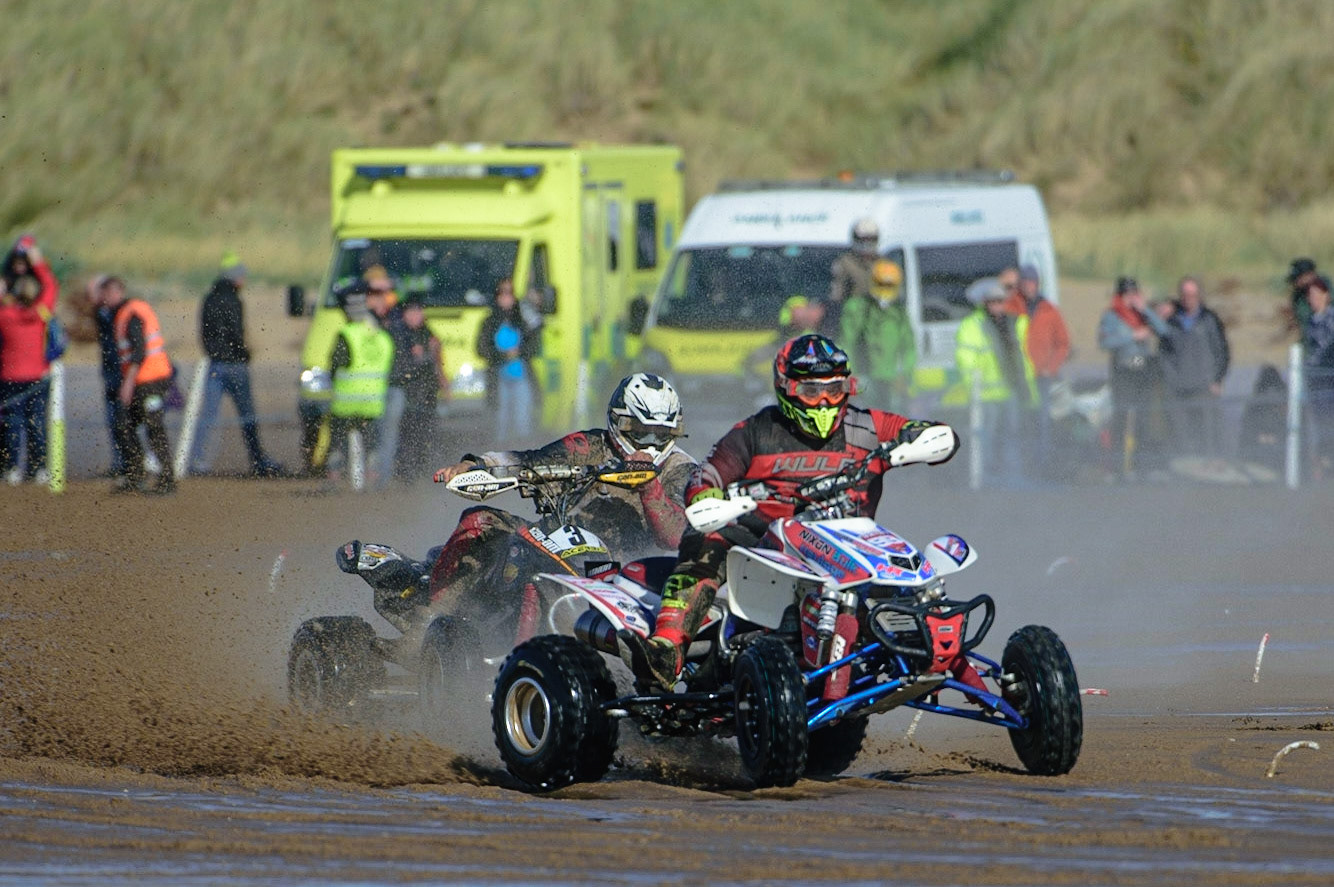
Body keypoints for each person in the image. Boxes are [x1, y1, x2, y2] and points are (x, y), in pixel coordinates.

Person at [621, 335, 958, 690]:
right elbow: (708, 474)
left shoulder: (868, 426)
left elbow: (934, 435)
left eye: (835, 389)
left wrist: (908, 448)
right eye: (812, 392)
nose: (825, 402)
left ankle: (943, 650)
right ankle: (666, 649)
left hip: (848, 547)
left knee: (916, 574)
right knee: (706, 540)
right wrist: (712, 498)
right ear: (786, 387)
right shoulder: (755, 433)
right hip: (766, 546)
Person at [422, 373, 693, 642]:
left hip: (628, 575)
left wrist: (649, 485)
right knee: (478, 520)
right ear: (619, 422)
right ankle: (428, 622)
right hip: (557, 544)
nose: (650, 445)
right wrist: (477, 464)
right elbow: (530, 460)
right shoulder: (590, 446)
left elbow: (674, 536)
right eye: (642, 433)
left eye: (660, 435)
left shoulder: (681, 470)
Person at [189, 253, 283, 477]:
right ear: (236, 279)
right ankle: (258, 459)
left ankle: (198, 461)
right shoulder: (234, 300)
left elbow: (205, 332)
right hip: (235, 365)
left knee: (208, 416)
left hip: (214, 364)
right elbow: (235, 332)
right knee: (247, 415)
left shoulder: (209, 298)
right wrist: (244, 353)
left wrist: (213, 352)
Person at [950, 277, 1036, 484]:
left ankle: (1011, 475)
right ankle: (983, 476)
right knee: (984, 437)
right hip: (985, 394)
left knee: (1011, 435)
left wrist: (1027, 387)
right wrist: (974, 387)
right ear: (985, 303)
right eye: (993, 301)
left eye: (1000, 301)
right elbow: (966, 359)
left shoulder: (1013, 323)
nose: (997, 306)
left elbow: (1024, 357)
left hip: (1009, 391)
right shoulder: (973, 326)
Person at [102, 276, 176, 495]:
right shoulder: (121, 315)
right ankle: (135, 475)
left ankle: (167, 479)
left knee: (154, 428)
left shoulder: (132, 314)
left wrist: (127, 384)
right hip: (142, 381)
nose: (104, 299)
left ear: (117, 292)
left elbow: (139, 351)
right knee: (124, 424)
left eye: (106, 294)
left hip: (150, 380)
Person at [1098, 276, 1170, 478]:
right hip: (1123, 370)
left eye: (1134, 294)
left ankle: (1141, 466)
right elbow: (1104, 343)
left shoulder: (1143, 314)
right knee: (1121, 418)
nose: (1131, 299)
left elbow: (1163, 330)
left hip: (1143, 370)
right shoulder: (1111, 316)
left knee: (1143, 420)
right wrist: (1132, 336)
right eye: (1127, 295)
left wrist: (1145, 309)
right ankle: (1119, 467)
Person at [1157, 276, 1231, 458]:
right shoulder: (1171, 319)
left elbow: (1222, 351)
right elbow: (1162, 353)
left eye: (1192, 294)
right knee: (1179, 434)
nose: (1189, 298)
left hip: (1204, 386)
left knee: (1208, 433)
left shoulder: (1209, 320)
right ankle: (1183, 473)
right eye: (1185, 294)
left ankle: (1211, 468)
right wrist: (1168, 379)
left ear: (1199, 296)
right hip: (1177, 387)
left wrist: (1217, 379)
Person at [1006, 264, 1071, 471]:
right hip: (1018, 377)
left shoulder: (1049, 310)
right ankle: (1018, 466)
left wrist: (1051, 368)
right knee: (1018, 423)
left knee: (1042, 423)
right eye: (1025, 282)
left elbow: (1063, 343)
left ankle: (1042, 465)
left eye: (1032, 282)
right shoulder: (1010, 307)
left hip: (1041, 377)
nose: (1029, 286)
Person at [327, 289, 393, 485]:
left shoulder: (346, 334)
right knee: (372, 442)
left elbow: (335, 365)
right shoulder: (382, 337)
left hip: (345, 402)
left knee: (337, 442)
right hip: (373, 403)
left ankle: (335, 478)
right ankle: (372, 478)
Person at [0, 274, 56, 484]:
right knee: (37, 422)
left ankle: (12, 467)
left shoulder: (5, 315)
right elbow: (51, 287)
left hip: (10, 377)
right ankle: (39, 467)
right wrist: (38, 261)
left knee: (12, 424)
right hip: (37, 377)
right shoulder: (41, 314)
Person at [841, 258, 916, 414]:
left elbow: (909, 348)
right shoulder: (856, 308)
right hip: (863, 378)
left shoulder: (899, 314)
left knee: (893, 422)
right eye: (881, 285)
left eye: (889, 286)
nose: (885, 292)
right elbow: (845, 343)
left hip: (892, 380)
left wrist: (905, 374)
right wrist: (848, 373)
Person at [389, 294, 447, 482]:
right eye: (411, 312)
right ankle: (406, 474)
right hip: (409, 394)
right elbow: (399, 366)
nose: (415, 316)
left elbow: (438, 362)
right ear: (404, 314)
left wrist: (444, 384)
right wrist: (420, 357)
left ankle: (423, 472)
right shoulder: (399, 334)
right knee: (407, 435)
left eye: (418, 312)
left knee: (426, 434)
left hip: (428, 392)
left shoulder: (427, 333)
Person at [477, 278, 538, 446]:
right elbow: (481, 348)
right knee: (500, 420)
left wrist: (519, 352)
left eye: (509, 293)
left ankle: (522, 452)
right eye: (502, 294)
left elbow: (534, 345)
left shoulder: (523, 320)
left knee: (522, 420)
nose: (506, 298)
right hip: (499, 378)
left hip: (521, 376)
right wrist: (503, 355)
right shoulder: (489, 322)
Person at [1301, 274, 1334, 474]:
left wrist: (1312, 364)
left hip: (1329, 384)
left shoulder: (1330, 320)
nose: (1312, 299)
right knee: (1317, 427)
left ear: (1326, 296)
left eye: (1316, 294)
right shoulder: (1311, 322)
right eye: (1310, 295)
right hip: (1314, 384)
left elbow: (1326, 352)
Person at [827, 217, 880, 334]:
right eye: (862, 240)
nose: (866, 244)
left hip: (877, 320)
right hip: (852, 319)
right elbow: (837, 296)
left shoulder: (883, 264)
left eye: (870, 239)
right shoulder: (845, 263)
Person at [1286, 257, 1319, 332]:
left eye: (1297, 278)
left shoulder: (1323, 292)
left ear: (1309, 275)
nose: (1295, 283)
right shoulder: (1298, 295)